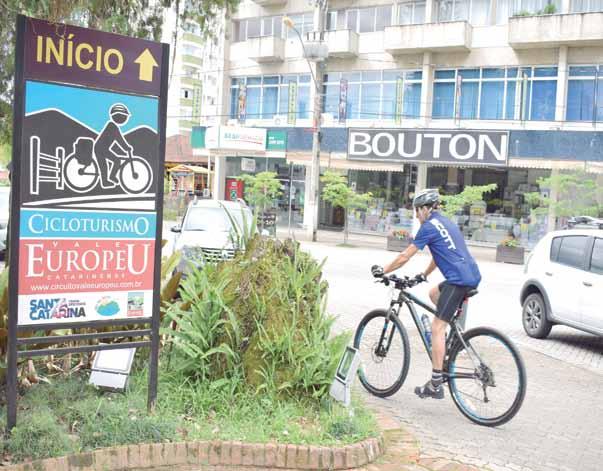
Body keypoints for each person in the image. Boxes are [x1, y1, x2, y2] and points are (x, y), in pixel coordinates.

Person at [371, 188, 481, 400]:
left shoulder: (428, 227)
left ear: (425, 209)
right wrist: (423, 275)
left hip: (458, 281)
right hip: (471, 276)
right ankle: (450, 340)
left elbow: (405, 256)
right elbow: (440, 255)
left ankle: (436, 383)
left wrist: (383, 270)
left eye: (416, 210)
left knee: (437, 326)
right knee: (433, 294)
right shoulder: (446, 223)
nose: (415, 215)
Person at [94, 103, 134, 189]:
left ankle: (112, 177)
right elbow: (119, 139)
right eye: (125, 116)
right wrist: (126, 148)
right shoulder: (112, 126)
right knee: (104, 165)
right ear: (119, 116)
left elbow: (119, 139)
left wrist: (126, 148)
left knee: (116, 160)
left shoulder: (113, 126)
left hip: (103, 148)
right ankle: (105, 182)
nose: (125, 119)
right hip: (99, 148)